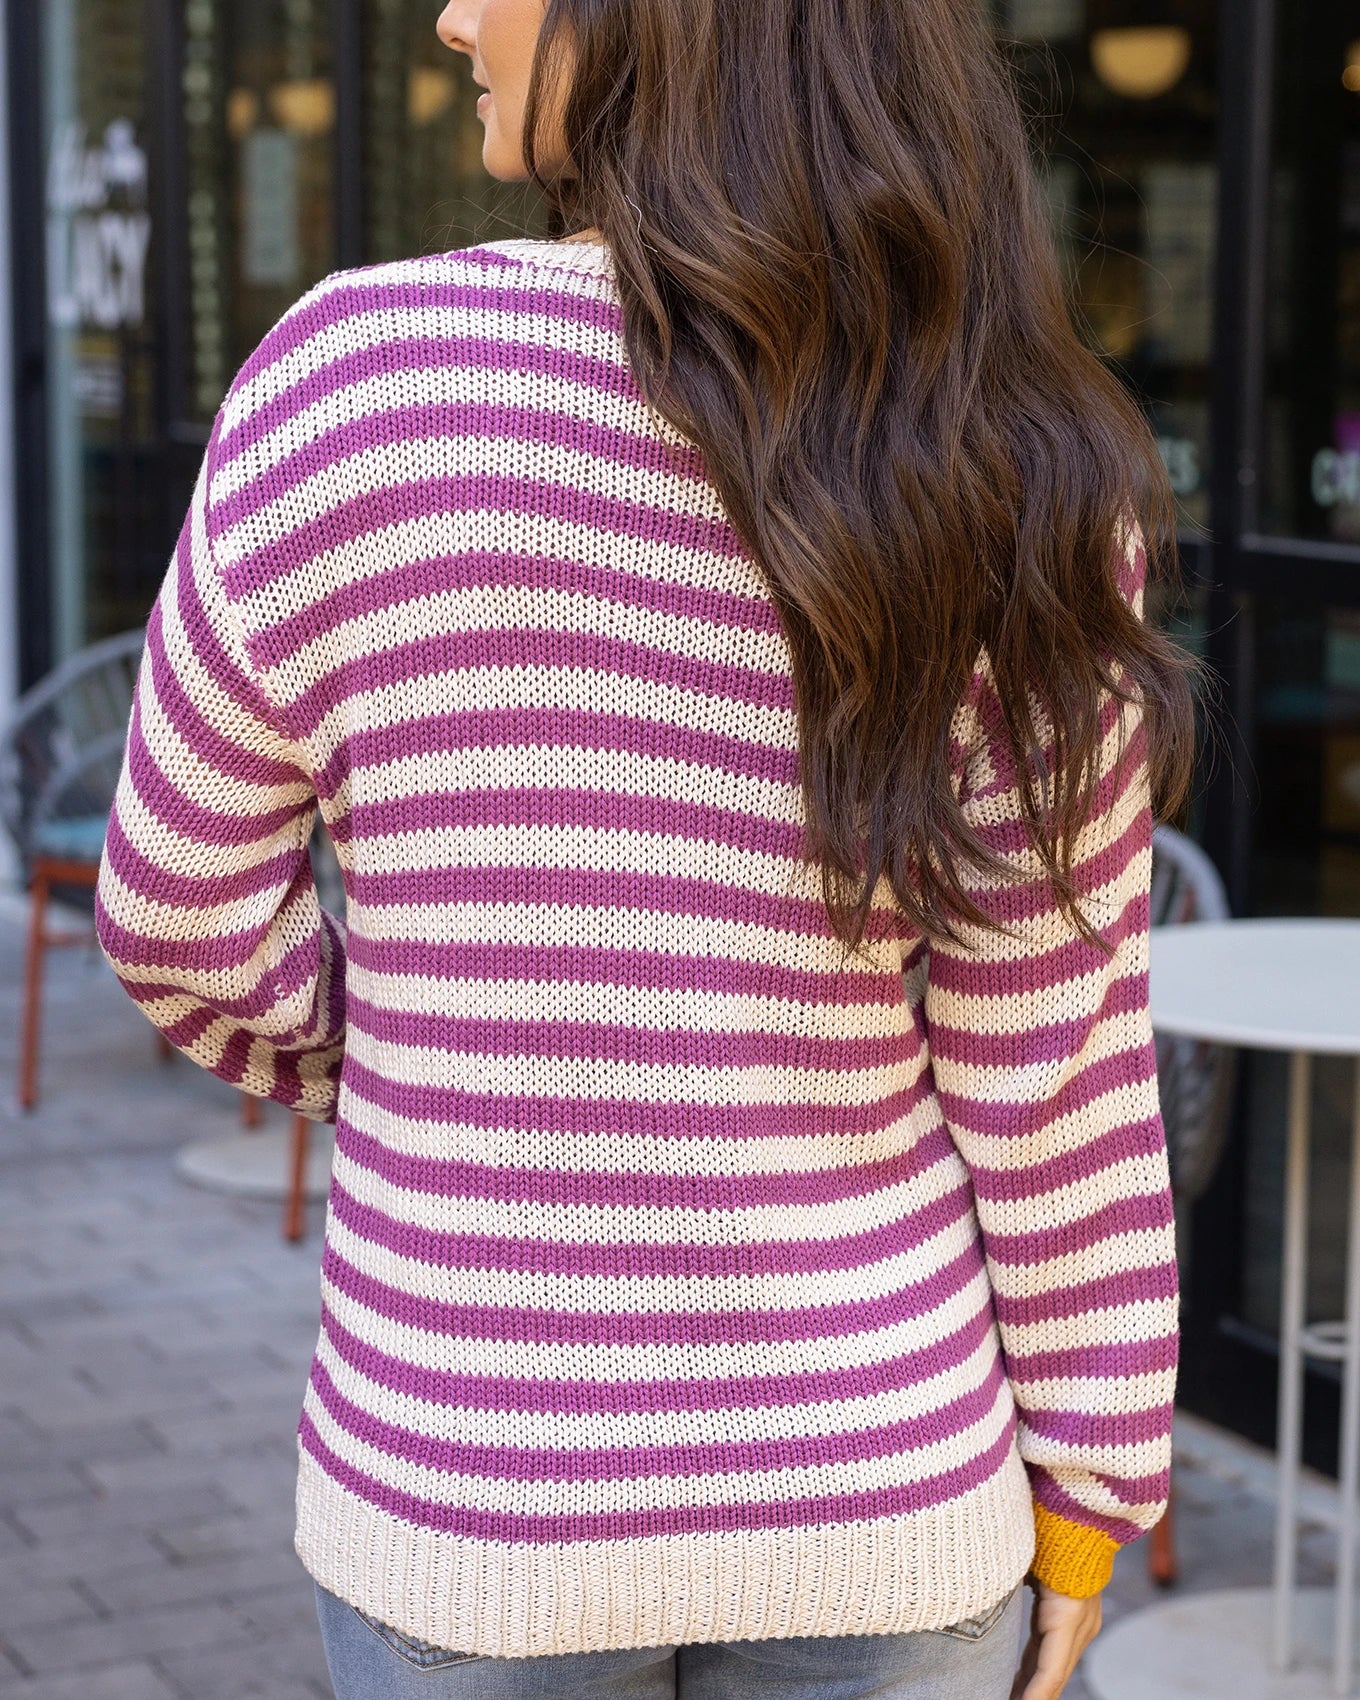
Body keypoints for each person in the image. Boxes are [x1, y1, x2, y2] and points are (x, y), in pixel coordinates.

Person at [95, 0, 1208, 1696]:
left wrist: (424, 1060)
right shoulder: (1015, 461)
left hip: (471, 1500)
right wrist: (1090, 1501)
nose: (455, 13)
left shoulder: (350, 388)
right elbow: (1050, 1071)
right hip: (881, 1502)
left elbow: (173, 910)